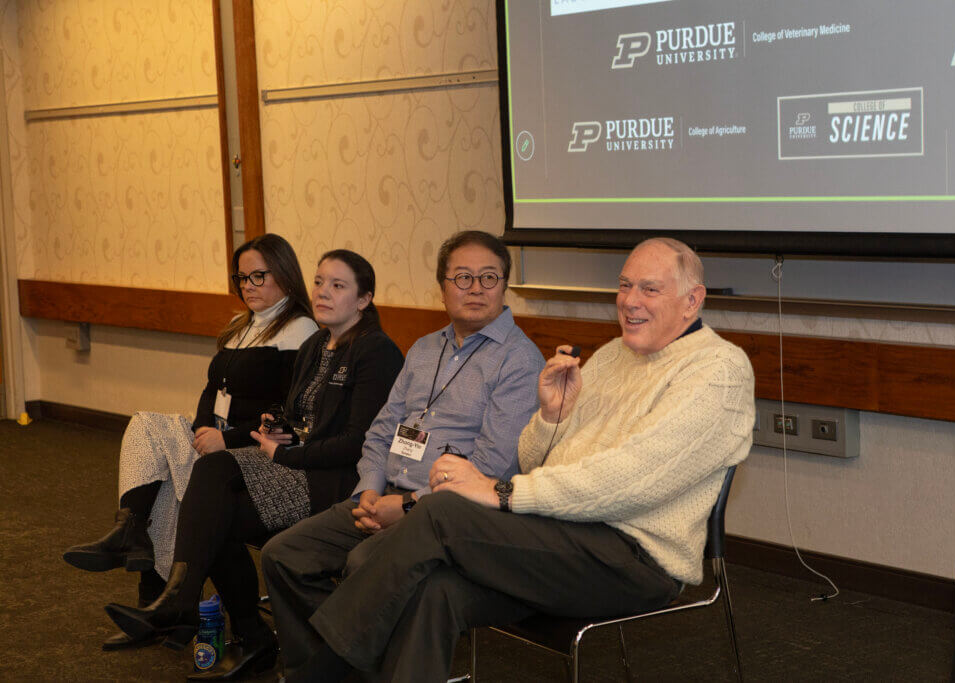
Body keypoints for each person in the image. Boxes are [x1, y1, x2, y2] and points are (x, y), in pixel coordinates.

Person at [274, 237, 757, 683]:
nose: (630, 301)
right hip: (561, 531)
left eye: (649, 289)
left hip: (633, 556)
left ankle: (319, 674)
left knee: (440, 513)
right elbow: (537, 460)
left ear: (692, 300)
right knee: (435, 590)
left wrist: (500, 492)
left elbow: (627, 481)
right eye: (625, 285)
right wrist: (550, 419)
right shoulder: (614, 355)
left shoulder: (718, 371)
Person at [101, 249, 405, 679]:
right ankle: (226, 622)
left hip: (336, 481)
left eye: (338, 286)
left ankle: (205, 611)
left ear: (364, 299)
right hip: (298, 464)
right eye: (319, 282)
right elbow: (301, 417)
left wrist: (287, 454)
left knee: (214, 497)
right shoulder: (317, 344)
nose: (323, 292)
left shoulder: (376, 351)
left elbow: (359, 443)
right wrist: (277, 427)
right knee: (212, 493)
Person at [260, 230, 545, 677]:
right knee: (282, 555)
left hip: (447, 513)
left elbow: (493, 467)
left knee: (363, 564)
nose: (475, 288)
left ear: (504, 285)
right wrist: (369, 491)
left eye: (488, 277)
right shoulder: (425, 348)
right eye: (463, 277)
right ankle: (329, 669)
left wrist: (409, 505)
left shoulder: (520, 362)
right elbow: (380, 430)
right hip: (384, 492)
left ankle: (332, 669)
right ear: (442, 288)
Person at [62, 233, 318, 650]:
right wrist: (201, 429)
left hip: (256, 449)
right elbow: (211, 389)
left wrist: (227, 438)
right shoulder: (242, 325)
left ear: (285, 275)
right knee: (146, 427)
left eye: (258, 276)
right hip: (214, 438)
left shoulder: (300, 330)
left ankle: (160, 602)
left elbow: (288, 415)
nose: (249, 286)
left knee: (175, 486)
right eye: (242, 278)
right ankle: (130, 531)